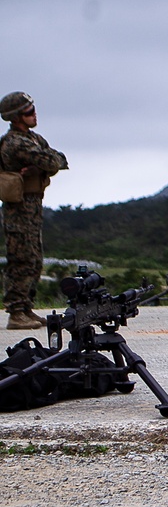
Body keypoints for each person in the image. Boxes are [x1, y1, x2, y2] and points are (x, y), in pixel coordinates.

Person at [0, 92, 69, 330]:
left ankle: (26, 308)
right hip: (19, 208)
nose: (34, 114)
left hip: (33, 205)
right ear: (16, 117)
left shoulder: (33, 138)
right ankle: (16, 312)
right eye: (28, 111)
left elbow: (59, 159)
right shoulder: (15, 142)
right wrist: (46, 163)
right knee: (22, 259)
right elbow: (50, 161)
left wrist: (45, 164)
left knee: (35, 259)